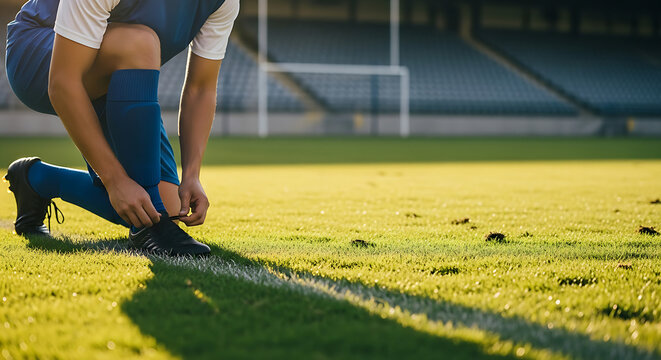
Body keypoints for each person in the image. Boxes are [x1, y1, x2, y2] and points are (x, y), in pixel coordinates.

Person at [3, 0, 240, 256]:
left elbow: (200, 88)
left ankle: (36, 178)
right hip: (40, 50)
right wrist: (114, 180)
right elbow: (62, 82)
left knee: (164, 208)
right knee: (140, 42)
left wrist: (192, 174)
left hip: (116, 71)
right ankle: (146, 230)